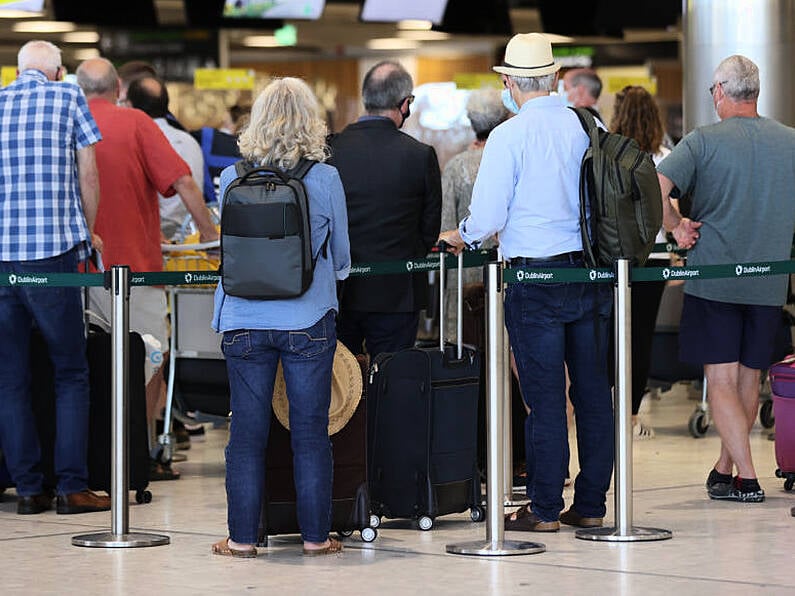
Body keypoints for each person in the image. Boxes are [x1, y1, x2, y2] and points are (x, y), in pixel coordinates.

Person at [439, 33, 614, 531]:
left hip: (535, 280)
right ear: (557, 78)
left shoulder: (509, 136)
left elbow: (489, 213)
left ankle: (542, 509)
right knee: (592, 393)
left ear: (511, 82)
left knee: (543, 397)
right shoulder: (588, 124)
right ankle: (593, 504)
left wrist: (464, 236)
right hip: (590, 271)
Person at [211, 77, 350, 557]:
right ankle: (315, 538)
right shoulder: (325, 178)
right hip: (307, 318)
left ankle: (242, 540)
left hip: (243, 319)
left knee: (246, 434)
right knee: (310, 431)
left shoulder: (233, 178)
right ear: (311, 121)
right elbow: (344, 259)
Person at [657, 55, 795, 503]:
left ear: (719, 91)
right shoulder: (790, 142)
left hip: (714, 277)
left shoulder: (702, 142)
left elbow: (655, 187)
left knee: (720, 380)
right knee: (748, 379)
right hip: (769, 281)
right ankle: (725, 469)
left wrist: (675, 225)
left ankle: (749, 479)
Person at [76, 58, 219, 477]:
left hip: (75, 272)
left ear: (77, 88)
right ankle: (140, 455)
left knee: (80, 369)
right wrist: (211, 239)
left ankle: (87, 459)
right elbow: (184, 183)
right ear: (118, 86)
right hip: (137, 270)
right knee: (149, 359)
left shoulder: (68, 124)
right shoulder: (136, 123)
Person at [0, 40, 111, 515]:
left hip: (2, 260)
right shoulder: (68, 95)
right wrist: (89, 230)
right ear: (58, 69)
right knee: (70, 372)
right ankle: (71, 486)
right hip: (53, 255)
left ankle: (27, 489)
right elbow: (88, 170)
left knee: (11, 379)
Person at [328, 60, 442, 359]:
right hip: (398, 293)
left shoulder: (331, 151)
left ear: (366, 98)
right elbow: (429, 230)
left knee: (342, 389)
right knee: (393, 384)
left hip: (339, 292)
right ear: (405, 104)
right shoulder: (419, 156)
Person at [609, 85, 672, 439]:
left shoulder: (608, 152)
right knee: (641, 336)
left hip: (614, 255)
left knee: (610, 333)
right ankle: (631, 414)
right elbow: (667, 211)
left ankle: (608, 406)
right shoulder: (663, 155)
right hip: (655, 255)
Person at [440, 87, 509, 342]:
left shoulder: (457, 166)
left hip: (464, 272)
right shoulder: (510, 158)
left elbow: (446, 224)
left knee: (466, 345)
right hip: (506, 270)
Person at [126, 76, 205, 241]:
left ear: (129, 105)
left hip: (159, 240)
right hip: (193, 240)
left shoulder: (138, 140)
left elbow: (184, 183)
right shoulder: (189, 140)